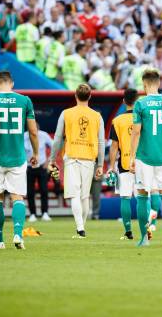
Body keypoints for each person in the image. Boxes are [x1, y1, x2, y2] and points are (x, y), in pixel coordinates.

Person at [0, 71, 39, 250]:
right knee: (17, 197)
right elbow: (33, 131)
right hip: (18, 157)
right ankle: (18, 234)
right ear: (11, 83)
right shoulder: (25, 100)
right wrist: (35, 153)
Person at [129, 68, 162, 247]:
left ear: (144, 84)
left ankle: (144, 238)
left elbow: (136, 132)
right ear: (159, 83)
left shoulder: (140, 104)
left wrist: (131, 157)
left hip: (145, 157)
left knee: (142, 195)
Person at [49, 84, 104, 238]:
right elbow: (101, 142)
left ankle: (80, 228)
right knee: (84, 196)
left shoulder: (66, 113)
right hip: (89, 159)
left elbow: (58, 138)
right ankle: (81, 228)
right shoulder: (97, 116)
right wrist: (100, 164)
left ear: (75, 96)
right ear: (90, 96)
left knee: (74, 194)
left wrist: (52, 159)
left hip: (72, 157)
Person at [108, 89, 139, 240]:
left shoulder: (117, 120)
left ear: (123, 101)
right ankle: (146, 231)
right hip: (142, 163)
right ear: (137, 100)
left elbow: (114, 146)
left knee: (125, 197)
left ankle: (128, 232)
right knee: (143, 198)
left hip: (124, 164)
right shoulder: (143, 118)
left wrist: (111, 166)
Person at [25, 123, 54, 222]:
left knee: (44, 190)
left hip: (42, 166)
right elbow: (18, 150)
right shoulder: (23, 136)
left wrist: (49, 161)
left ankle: (45, 213)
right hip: (29, 167)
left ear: (38, 129)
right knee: (30, 192)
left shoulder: (44, 135)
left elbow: (54, 147)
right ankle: (32, 214)